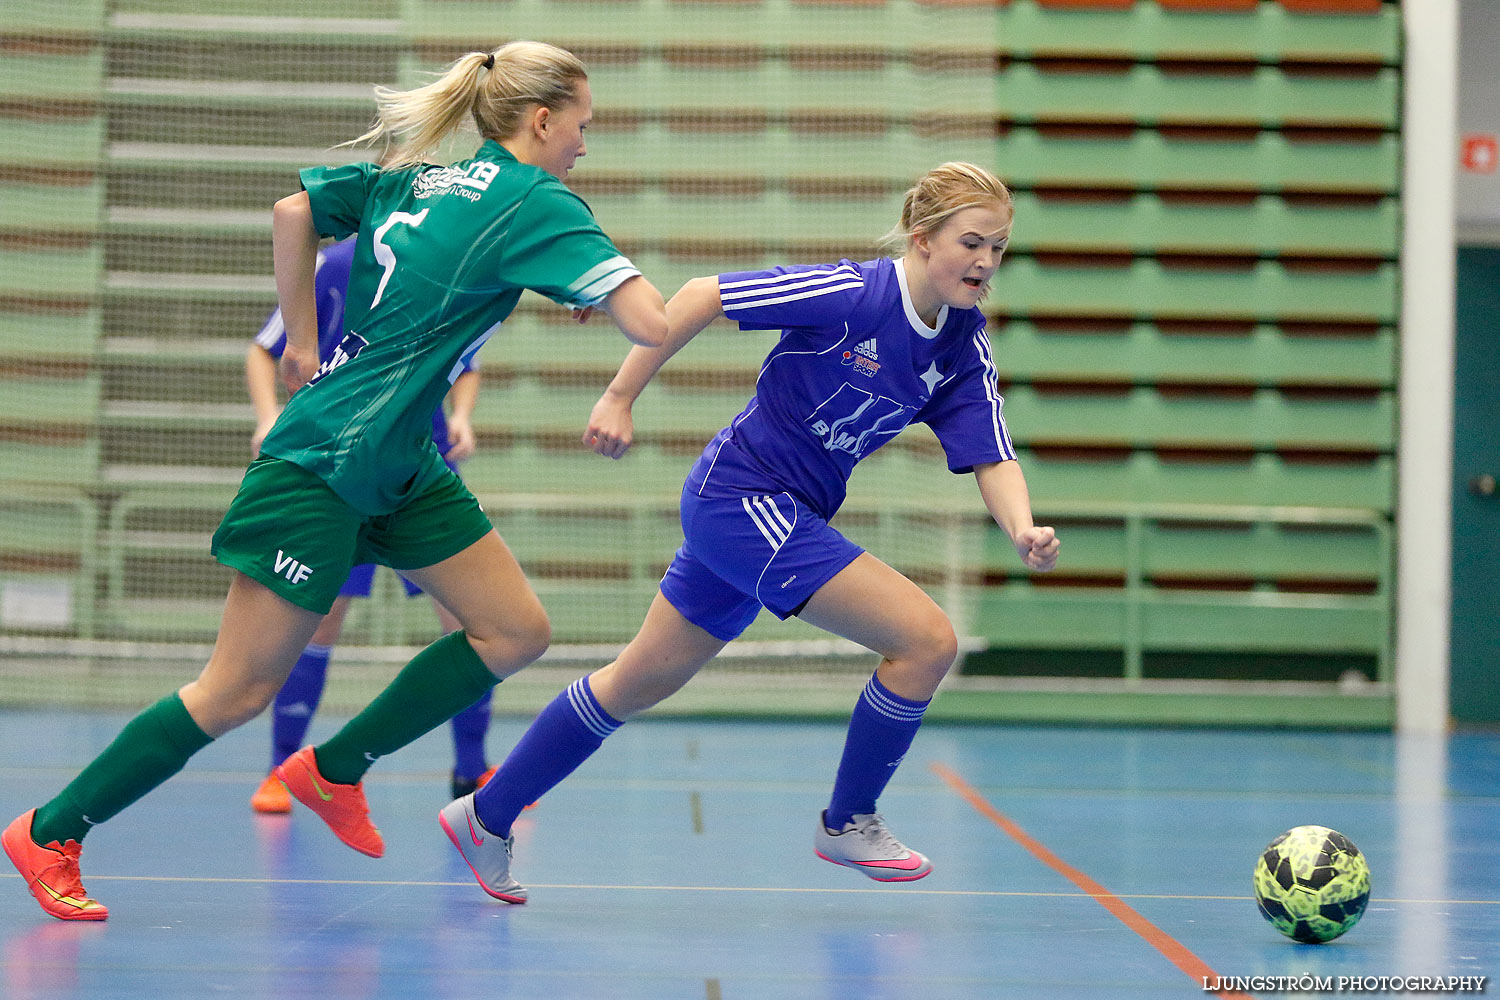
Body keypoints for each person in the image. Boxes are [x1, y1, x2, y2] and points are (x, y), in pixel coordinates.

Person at [3, 40, 666, 921]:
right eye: (584, 125)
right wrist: (745, 299)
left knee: (513, 631)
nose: (587, 142)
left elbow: (292, 211)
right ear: (542, 120)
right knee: (236, 690)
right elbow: (651, 321)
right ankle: (52, 829)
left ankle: (333, 767)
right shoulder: (535, 199)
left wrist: (306, 344)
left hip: (400, 463)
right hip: (323, 464)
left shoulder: (417, 178)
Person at [439, 161, 1060, 904]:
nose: (987, 262)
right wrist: (618, 395)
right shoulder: (852, 294)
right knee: (926, 640)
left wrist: (1022, 528)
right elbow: (702, 296)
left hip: (773, 516)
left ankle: (486, 814)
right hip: (744, 497)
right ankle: (847, 820)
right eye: (972, 242)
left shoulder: (961, 346)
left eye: (999, 248)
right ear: (923, 239)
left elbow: (992, 451)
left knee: (635, 681)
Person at [243, 236, 498, 811]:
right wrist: (269, 418)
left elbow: (468, 363)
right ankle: (281, 770)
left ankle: (473, 774)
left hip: (418, 464)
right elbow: (265, 348)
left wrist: (461, 417)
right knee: (318, 619)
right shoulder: (333, 267)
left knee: (471, 620)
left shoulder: (440, 261)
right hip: (335, 465)